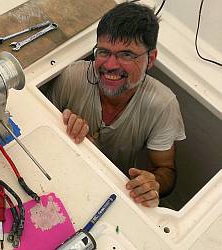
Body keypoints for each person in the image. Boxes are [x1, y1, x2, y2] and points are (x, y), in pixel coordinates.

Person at [44, 2, 186, 207]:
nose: (110, 65)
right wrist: (65, 130)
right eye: (103, 52)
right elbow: (43, 127)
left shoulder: (163, 105)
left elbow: (165, 169)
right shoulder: (72, 76)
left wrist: (152, 184)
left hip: (113, 192)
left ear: (151, 59)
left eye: (126, 54)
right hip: (60, 171)